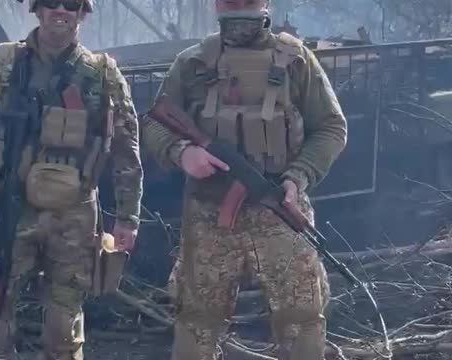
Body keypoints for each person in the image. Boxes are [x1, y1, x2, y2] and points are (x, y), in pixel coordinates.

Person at [142, 0, 347, 359]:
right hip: (209, 215)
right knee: (196, 323)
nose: (239, 7)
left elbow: (331, 127)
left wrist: (298, 176)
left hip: (280, 210)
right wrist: (182, 153)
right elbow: (156, 123)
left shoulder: (297, 60)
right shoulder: (193, 62)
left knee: (302, 321)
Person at [0, 0, 143, 358]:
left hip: (73, 217)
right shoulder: (6, 62)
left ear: (82, 13)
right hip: (11, 205)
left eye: (71, 4)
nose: (61, 11)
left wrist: (128, 216)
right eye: (51, 3)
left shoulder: (102, 73)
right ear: (37, 10)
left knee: (64, 326)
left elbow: (125, 147)